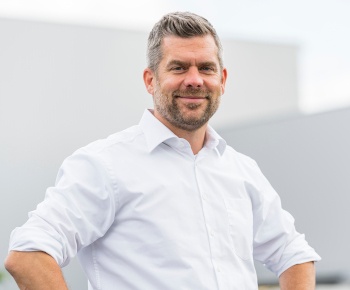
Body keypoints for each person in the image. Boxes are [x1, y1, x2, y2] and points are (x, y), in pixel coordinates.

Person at [5, 11, 320, 290]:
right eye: (179, 67)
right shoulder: (104, 165)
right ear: (150, 80)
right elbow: (28, 255)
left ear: (222, 80)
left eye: (206, 68)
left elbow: (294, 256)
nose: (194, 80)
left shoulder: (242, 170)